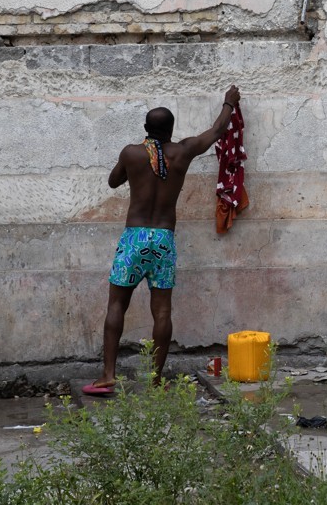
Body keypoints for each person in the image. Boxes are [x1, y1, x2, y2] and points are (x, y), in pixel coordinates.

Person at [84, 85, 240, 395]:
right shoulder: (183, 151)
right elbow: (218, 130)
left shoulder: (131, 153)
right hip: (164, 239)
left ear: (146, 128)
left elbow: (114, 181)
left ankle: (108, 375)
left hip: (134, 238)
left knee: (117, 304)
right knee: (163, 311)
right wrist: (229, 102)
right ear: (171, 129)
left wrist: (135, 166)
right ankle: (156, 381)